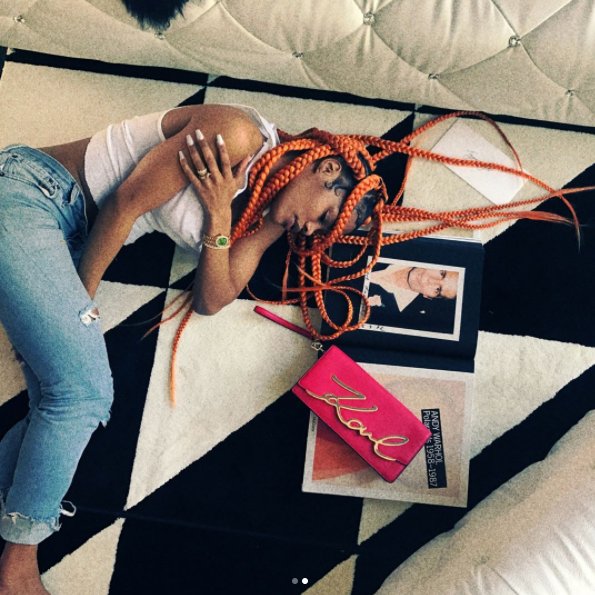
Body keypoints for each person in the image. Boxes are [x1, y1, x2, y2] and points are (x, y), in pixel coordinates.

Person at [0, 103, 579, 593]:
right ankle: (18, 562)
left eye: (323, 232)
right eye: (323, 215)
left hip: (63, 237)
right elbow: (125, 203)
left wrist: (220, 216)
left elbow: (213, 297)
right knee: (83, 394)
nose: (312, 232)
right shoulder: (236, 136)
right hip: (32, 193)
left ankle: (12, 517)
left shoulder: (269, 218)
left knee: (63, 399)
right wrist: (81, 315)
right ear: (326, 168)